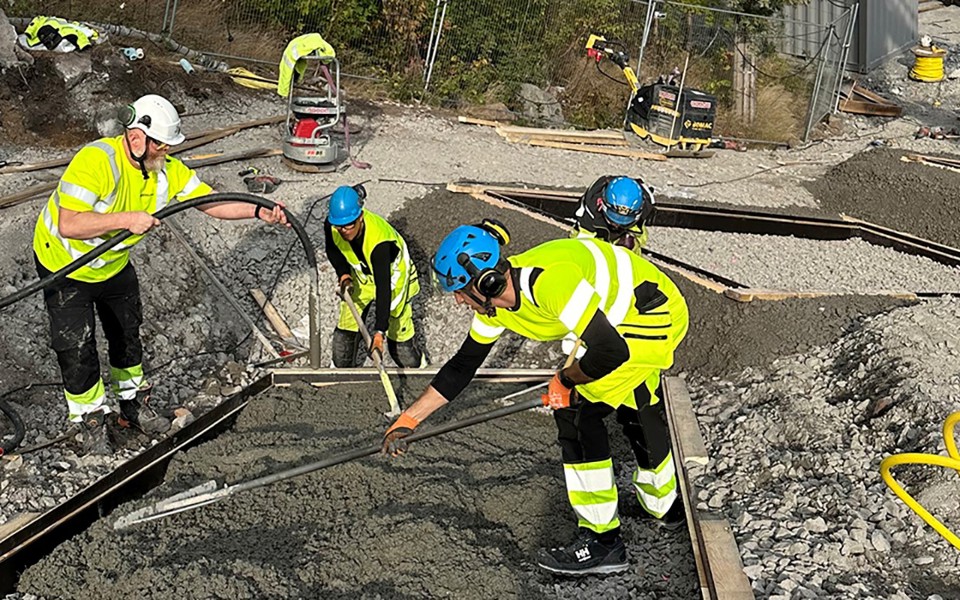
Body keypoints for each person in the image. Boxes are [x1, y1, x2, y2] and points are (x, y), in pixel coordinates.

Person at [381, 219, 689, 576]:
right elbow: (461, 368)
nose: (457, 301)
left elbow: (610, 351)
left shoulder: (550, 284)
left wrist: (564, 380)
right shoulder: (496, 309)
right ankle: (664, 507)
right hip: (626, 315)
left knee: (576, 413)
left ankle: (603, 542)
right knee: (636, 401)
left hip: (649, 316)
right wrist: (409, 420)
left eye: (460, 291)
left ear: (486, 283)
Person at [32, 94, 289, 455]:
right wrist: (127, 220)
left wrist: (258, 212)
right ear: (137, 138)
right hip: (65, 264)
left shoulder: (162, 170)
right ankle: (89, 421)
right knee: (76, 346)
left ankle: (133, 406)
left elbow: (209, 201)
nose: (165, 152)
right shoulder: (96, 161)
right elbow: (70, 223)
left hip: (112, 264)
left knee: (126, 333)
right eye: (161, 145)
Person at [323, 185, 424, 369]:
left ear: (360, 217)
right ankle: (341, 375)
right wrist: (343, 273)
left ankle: (417, 372)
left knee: (398, 327)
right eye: (339, 226)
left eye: (349, 225)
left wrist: (379, 332)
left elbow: (383, 288)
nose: (344, 230)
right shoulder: (333, 224)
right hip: (362, 274)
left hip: (393, 277)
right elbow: (333, 250)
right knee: (347, 323)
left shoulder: (379, 242)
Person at [571, 175, 656, 253]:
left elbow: (641, 235)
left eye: (625, 219)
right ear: (603, 204)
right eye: (614, 215)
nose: (616, 224)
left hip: (627, 229)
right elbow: (582, 238)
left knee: (629, 244)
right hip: (596, 225)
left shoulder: (646, 207)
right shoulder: (591, 207)